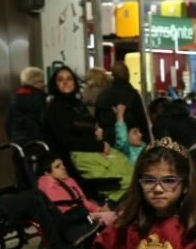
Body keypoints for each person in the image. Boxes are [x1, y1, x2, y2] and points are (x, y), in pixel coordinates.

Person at [43, 65, 131, 203]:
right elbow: (66, 140)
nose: (65, 82)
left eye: (69, 79)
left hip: (90, 153)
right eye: (60, 80)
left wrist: (98, 139)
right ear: (55, 84)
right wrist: (98, 146)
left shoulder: (77, 104)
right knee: (125, 176)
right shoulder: (55, 109)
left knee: (128, 168)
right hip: (73, 159)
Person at [37, 154, 116, 235]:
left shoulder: (69, 180)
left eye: (63, 164)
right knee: (115, 219)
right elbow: (63, 210)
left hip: (84, 214)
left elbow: (83, 201)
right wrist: (90, 214)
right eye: (57, 166)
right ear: (47, 173)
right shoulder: (47, 185)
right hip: (73, 222)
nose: (63, 167)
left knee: (117, 213)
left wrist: (98, 209)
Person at [95, 62, 149, 146]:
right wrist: (147, 142)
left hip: (108, 141)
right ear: (127, 75)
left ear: (112, 75)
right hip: (131, 142)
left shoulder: (103, 94)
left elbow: (98, 119)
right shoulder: (133, 94)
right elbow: (142, 121)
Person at [5, 66, 47, 146]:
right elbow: (45, 123)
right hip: (39, 144)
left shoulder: (14, 99)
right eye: (41, 81)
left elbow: (8, 125)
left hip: (19, 145)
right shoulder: (40, 99)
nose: (44, 84)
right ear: (33, 83)